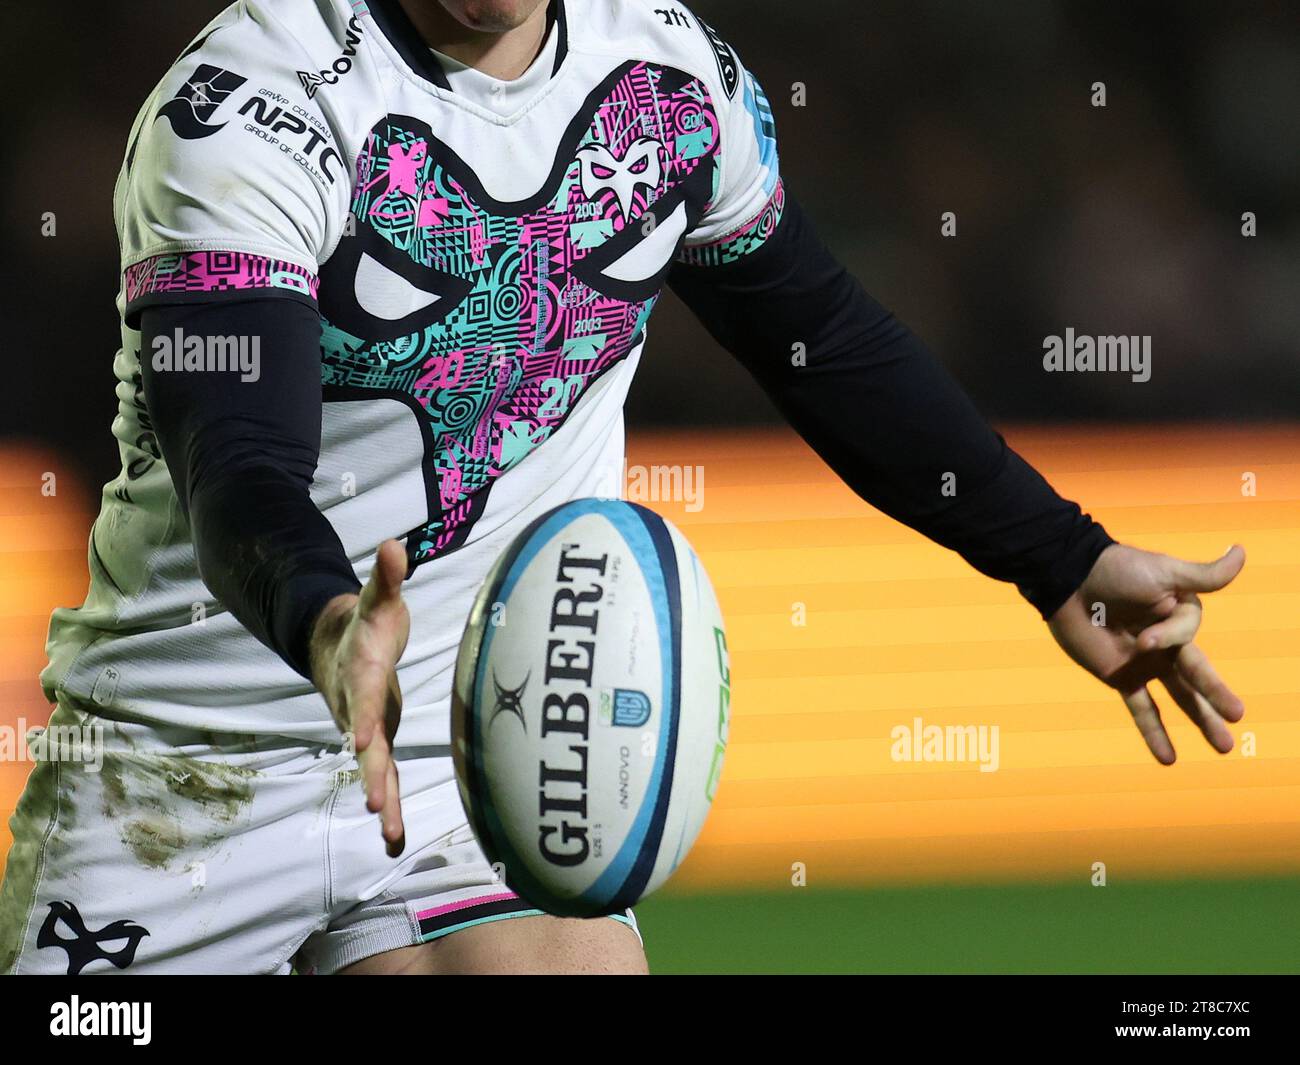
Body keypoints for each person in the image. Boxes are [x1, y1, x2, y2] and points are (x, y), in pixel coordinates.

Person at [0, 0, 1244, 974]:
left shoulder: (663, 75)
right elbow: (238, 460)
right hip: (180, 779)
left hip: (463, 757)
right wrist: (328, 623)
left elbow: (821, 339)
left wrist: (1055, 553)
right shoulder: (245, 107)